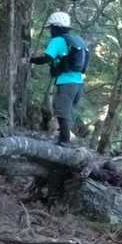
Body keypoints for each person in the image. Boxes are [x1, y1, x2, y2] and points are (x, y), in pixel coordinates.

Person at [30, 10, 89, 145]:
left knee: (62, 113)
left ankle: (64, 141)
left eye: (51, 28)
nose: (50, 31)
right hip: (79, 83)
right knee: (67, 112)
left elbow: (46, 58)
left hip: (67, 82)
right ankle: (65, 139)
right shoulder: (75, 41)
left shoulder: (57, 40)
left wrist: (30, 60)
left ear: (56, 27)